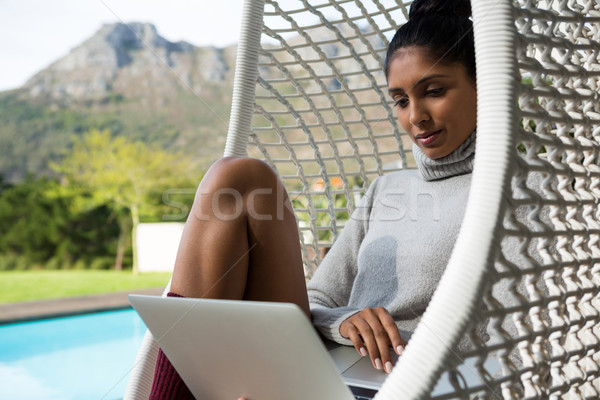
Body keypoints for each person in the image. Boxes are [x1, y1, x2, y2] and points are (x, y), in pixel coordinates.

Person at [148, 0, 476, 398]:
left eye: (434, 91)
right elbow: (317, 301)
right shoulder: (386, 191)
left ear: (486, 85)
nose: (416, 116)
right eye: (401, 100)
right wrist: (345, 322)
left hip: (418, 385)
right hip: (323, 375)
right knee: (237, 179)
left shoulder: (532, 198)